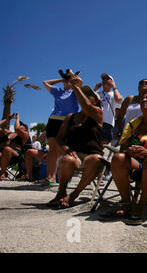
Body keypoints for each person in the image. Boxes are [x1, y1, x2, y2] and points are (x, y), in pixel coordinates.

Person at [99, 91, 147, 225]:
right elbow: (123, 148)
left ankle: (141, 205)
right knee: (118, 157)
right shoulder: (133, 125)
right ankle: (127, 204)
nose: (144, 100)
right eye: (142, 99)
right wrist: (130, 151)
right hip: (137, 163)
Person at [46, 76, 106, 209]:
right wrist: (66, 148)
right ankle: (61, 192)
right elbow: (60, 138)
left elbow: (87, 107)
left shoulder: (97, 113)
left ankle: (74, 195)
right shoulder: (70, 117)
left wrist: (76, 87)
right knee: (68, 160)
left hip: (92, 154)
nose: (84, 95)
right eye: (83, 93)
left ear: (96, 100)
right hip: (75, 154)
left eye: (88, 94)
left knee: (96, 160)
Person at [41, 70, 79, 186]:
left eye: (69, 79)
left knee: (62, 148)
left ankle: (65, 178)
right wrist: (61, 79)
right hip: (53, 120)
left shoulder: (75, 92)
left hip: (67, 121)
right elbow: (45, 82)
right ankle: (50, 177)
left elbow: (79, 83)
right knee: (52, 149)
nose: (67, 81)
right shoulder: (58, 91)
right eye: (66, 80)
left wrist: (72, 77)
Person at [94, 73, 123, 144]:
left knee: (104, 143)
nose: (104, 80)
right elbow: (87, 101)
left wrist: (114, 86)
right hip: (95, 122)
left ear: (112, 81)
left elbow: (119, 99)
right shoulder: (98, 93)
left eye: (107, 79)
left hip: (107, 122)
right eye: (103, 79)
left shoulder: (114, 93)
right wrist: (95, 89)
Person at [0, 113, 31, 180]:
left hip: (15, 155)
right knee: (4, 150)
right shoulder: (9, 132)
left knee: (7, 149)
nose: (19, 125)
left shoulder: (25, 135)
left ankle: (2, 174)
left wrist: (17, 118)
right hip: (2, 154)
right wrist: (7, 119)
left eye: (21, 125)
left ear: (25, 129)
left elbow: (17, 128)